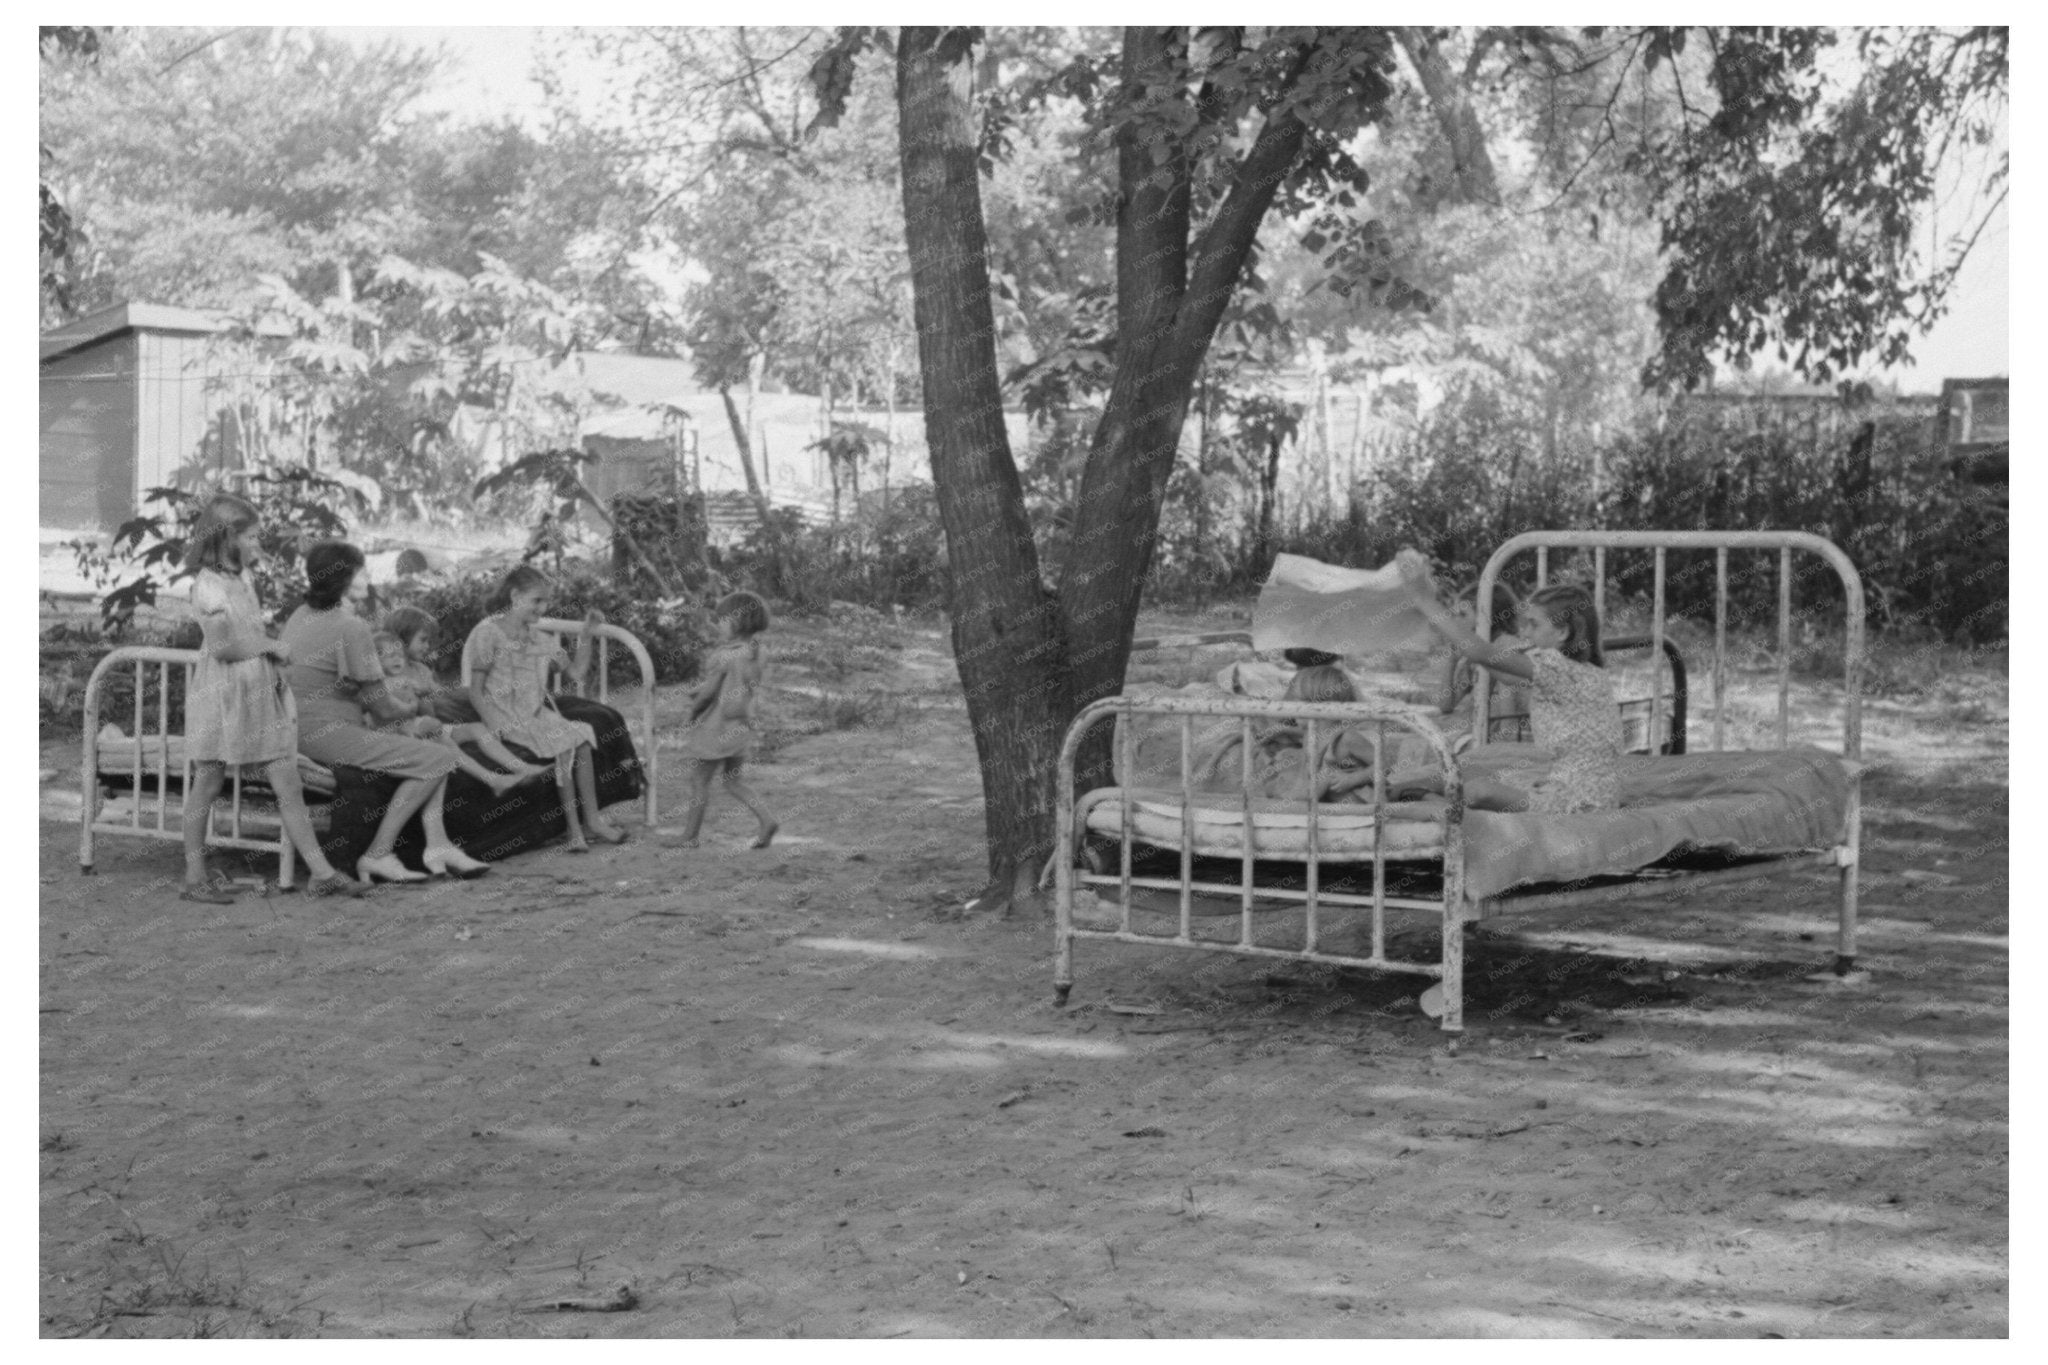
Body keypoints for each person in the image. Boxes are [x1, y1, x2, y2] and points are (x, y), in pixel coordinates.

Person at [178, 496, 366, 902]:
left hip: (257, 692)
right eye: (250, 536)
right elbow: (225, 647)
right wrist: (271, 647)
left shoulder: (241, 579)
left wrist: (272, 662)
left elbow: (247, 631)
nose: (256, 544)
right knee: (208, 781)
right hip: (223, 694)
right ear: (227, 536)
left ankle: (321, 873)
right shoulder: (207, 585)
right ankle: (195, 876)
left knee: (288, 780)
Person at [281, 541, 491, 882]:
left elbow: (337, 685)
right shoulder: (351, 626)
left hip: (294, 727)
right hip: (325, 733)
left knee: (433, 751)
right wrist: (414, 701)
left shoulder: (300, 615)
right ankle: (378, 854)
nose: (368, 575)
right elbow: (384, 708)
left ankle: (438, 844)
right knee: (439, 759)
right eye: (361, 569)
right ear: (345, 578)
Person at [1397, 550, 1621, 814]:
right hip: (1571, 785)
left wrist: (1423, 599)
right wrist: (1462, 649)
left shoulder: (1557, 666)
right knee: (1470, 769)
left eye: (1533, 625)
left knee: (1480, 791)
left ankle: (1421, 800)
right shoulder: (1581, 671)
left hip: (1582, 801)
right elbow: (1495, 667)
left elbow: (1483, 653)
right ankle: (1411, 791)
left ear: (1563, 632)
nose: (1524, 632)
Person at [465, 567, 628, 852]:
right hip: (505, 717)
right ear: (515, 596)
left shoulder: (540, 640)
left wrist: (587, 635)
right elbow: (475, 691)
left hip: (535, 715)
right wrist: (494, 726)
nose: (543, 608)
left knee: (582, 736)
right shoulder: (488, 633)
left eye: (545, 602)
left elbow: (576, 673)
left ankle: (590, 821)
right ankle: (574, 829)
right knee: (566, 742)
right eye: (537, 600)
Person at [372, 630, 545, 797]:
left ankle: (521, 768)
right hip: (404, 735)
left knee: (476, 728)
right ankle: (494, 781)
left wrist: (424, 697)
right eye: (389, 655)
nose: (396, 659)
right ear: (374, 661)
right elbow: (387, 718)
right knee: (441, 737)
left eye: (399, 655)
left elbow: (428, 714)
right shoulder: (377, 686)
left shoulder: (410, 678)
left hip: (422, 725)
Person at [676, 590, 778, 849]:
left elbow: (710, 694)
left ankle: (689, 837)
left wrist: (693, 711)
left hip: (717, 727)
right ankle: (766, 820)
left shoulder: (724, 655)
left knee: (699, 781)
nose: (718, 625)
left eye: (722, 620)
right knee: (734, 780)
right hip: (742, 724)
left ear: (737, 621)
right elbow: (739, 686)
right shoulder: (757, 652)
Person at [1436, 582, 1532, 746]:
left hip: (1508, 740)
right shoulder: (1473, 655)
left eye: (1463, 615)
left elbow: (1507, 727)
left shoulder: (1507, 647)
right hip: (1482, 734)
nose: (1456, 621)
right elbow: (1446, 705)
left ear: (1486, 616)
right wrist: (1450, 660)